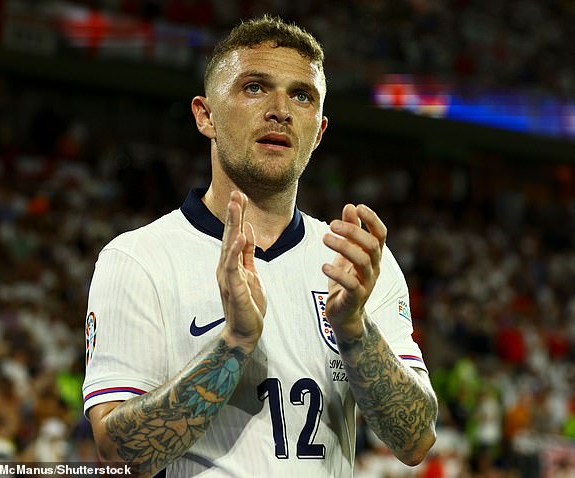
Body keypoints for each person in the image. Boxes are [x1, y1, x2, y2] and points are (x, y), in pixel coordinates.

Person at [82, 14, 438, 477]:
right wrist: (234, 343)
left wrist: (354, 328)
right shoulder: (138, 259)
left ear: (319, 132)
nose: (280, 110)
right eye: (254, 87)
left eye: (302, 95)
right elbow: (119, 455)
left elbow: (416, 441)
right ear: (205, 115)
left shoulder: (355, 262)